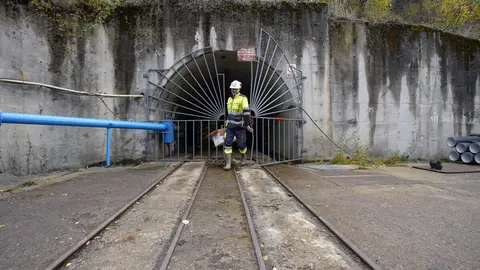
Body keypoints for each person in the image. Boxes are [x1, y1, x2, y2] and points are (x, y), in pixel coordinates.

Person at [223, 80, 253, 171]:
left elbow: (246, 113)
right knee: (227, 143)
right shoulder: (229, 99)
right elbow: (229, 114)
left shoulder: (243, 98)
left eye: (235, 89)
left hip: (240, 127)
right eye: (232, 89)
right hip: (230, 127)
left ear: (239, 89)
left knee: (241, 144)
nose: (234, 91)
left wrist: (247, 124)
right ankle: (228, 163)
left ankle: (244, 157)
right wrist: (226, 124)